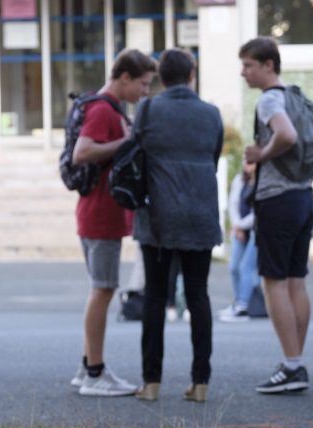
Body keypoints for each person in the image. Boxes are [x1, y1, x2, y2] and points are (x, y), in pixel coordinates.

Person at [132, 48, 223, 402]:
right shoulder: (211, 114)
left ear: (160, 77)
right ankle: (200, 382)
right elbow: (212, 160)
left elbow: (137, 155)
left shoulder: (149, 109)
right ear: (191, 75)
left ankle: (151, 382)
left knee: (155, 298)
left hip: (157, 218)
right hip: (200, 216)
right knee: (198, 297)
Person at [70, 48, 157, 397]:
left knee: (101, 288)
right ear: (124, 78)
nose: (145, 91)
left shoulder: (110, 109)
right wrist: (130, 140)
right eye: (143, 83)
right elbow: (82, 152)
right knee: (103, 289)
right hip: (99, 215)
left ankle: (86, 365)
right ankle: (95, 372)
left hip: (102, 213)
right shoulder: (103, 109)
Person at [240, 37, 313, 394]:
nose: (244, 72)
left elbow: (285, 135)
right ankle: (295, 361)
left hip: (278, 200)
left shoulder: (270, 98)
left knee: (273, 282)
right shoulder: (297, 95)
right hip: (304, 196)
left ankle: (291, 366)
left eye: (249, 65)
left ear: (269, 65)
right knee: (295, 281)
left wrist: (261, 155)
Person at [219, 159, 259, 322]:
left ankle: (244, 305)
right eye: (245, 161)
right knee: (234, 267)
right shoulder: (239, 180)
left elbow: (258, 211)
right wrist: (237, 226)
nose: (247, 164)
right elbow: (233, 204)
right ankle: (237, 303)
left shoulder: (262, 183)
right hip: (240, 230)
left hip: (256, 230)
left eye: (251, 162)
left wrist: (241, 226)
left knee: (246, 267)